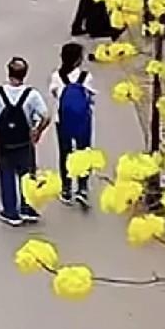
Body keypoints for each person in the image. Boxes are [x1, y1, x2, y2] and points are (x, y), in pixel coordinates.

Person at [0, 57, 51, 227]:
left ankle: (11, 212)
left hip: (4, 143)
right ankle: (27, 207)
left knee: (6, 174)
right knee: (27, 175)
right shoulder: (32, 94)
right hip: (24, 143)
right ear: (25, 74)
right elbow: (46, 116)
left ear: (8, 72)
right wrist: (37, 131)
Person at [49, 41, 96, 208]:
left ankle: (66, 189)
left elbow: (55, 94)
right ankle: (82, 188)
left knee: (65, 153)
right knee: (84, 152)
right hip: (83, 121)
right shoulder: (86, 77)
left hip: (62, 120)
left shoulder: (57, 76)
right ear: (78, 60)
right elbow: (91, 98)